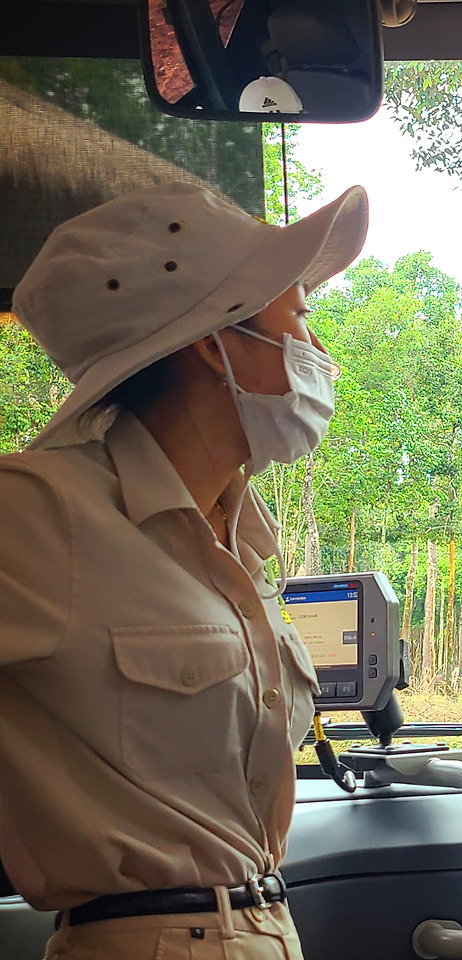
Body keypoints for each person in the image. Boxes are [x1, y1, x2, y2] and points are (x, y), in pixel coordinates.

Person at [0, 180, 368, 959]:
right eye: (302, 319)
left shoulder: (240, 541)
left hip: (265, 927)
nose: (321, 355)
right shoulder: (39, 512)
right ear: (214, 340)